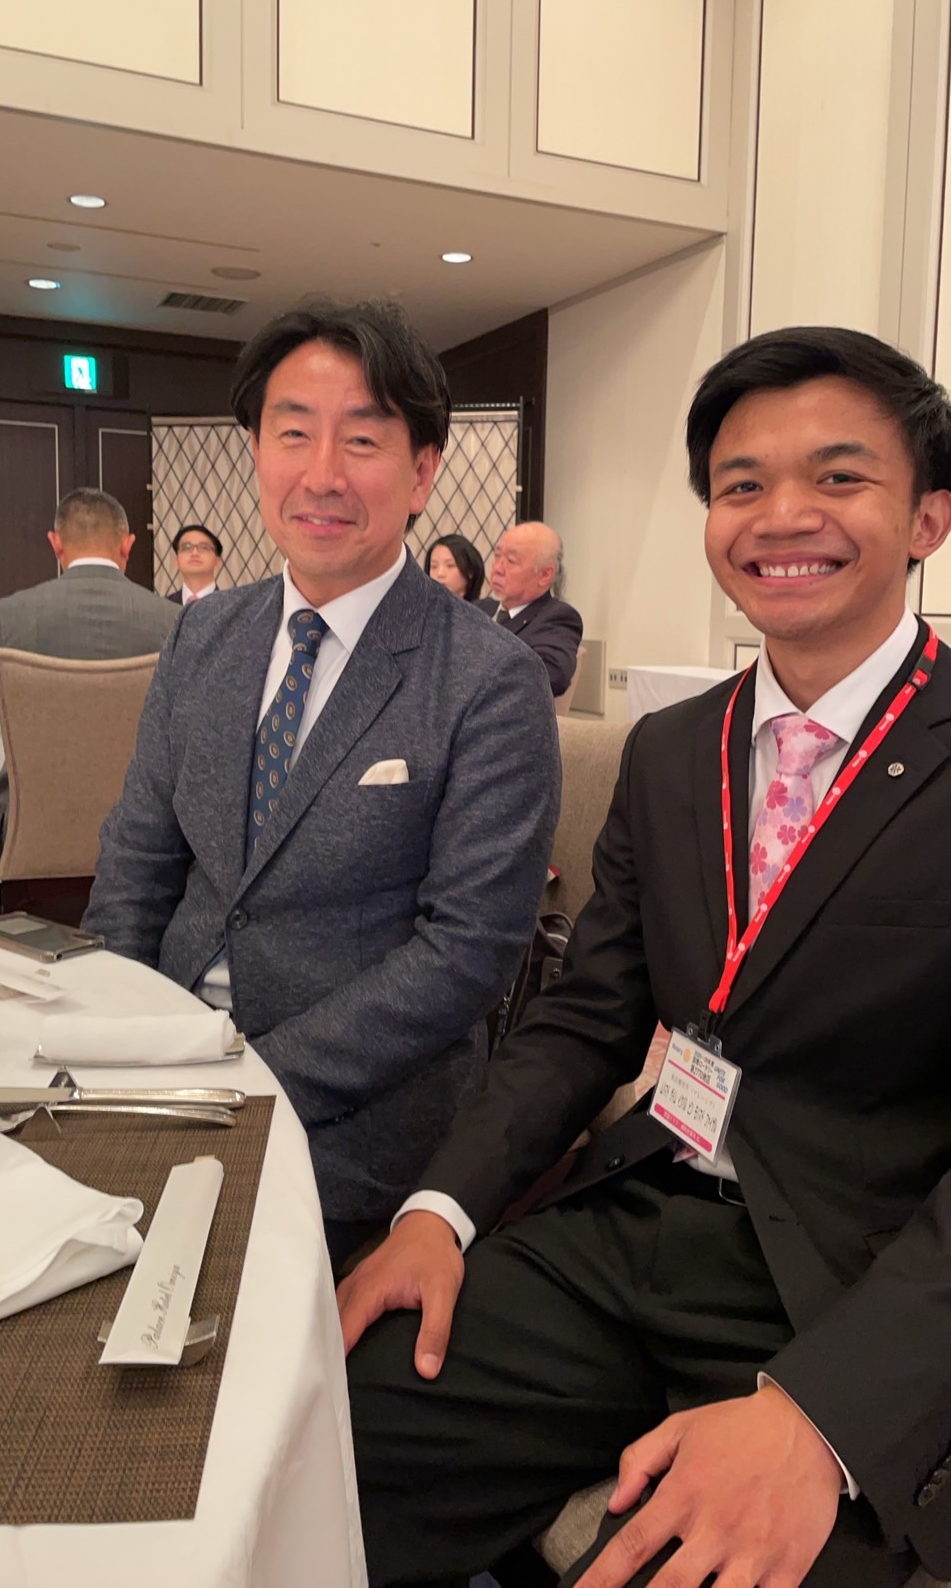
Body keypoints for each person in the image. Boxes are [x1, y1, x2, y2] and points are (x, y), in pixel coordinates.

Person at [341, 326, 951, 1588]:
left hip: (853, 1275)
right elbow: (586, 1017)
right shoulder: (674, 750)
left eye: (840, 476)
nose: (783, 514)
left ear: (928, 519)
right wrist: (439, 1209)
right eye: (741, 483)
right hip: (635, 1215)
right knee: (324, 1426)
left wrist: (830, 1413)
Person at [83, 299, 560, 1268]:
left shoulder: (487, 676)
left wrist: (248, 1080)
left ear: (422, 471)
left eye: (364, 439)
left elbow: (467, 952)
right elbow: (138, 859)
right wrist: (116, 1034)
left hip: (355, 1128)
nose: (323, 473)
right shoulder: (202, 634)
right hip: (161, 1072)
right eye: (293, 432)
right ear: (256, 451)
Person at [0, 488, 178, 857]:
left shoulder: (7, 617)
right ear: (127, 545)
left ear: (56, 543)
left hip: (29, 829)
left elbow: (2, 715)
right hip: (150, 835)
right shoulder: (176, 621)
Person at [479, 521, 583, 696]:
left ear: (544, 575)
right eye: (497, 556)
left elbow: (551, 676)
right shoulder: (478, 609)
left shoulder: (557, 617)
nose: (497, 568)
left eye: (511, 561)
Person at [168, 523, 223, 604]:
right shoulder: (163, 606)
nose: (195, 553)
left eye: (204, 547)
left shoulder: (233, 607)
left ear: (217, 561)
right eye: (187, 547)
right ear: (177, 561)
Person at [423, 534, 485, 602]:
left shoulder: (482, 607)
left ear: (470, 571)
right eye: (434, 566)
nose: (440, 574)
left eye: (450, 565)